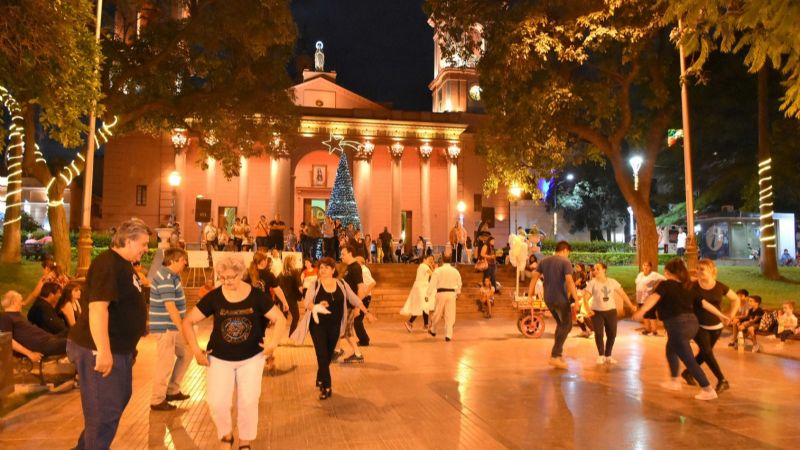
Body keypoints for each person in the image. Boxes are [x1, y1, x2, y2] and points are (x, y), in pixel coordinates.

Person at [182, 256, 286, 448]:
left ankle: (245, 442)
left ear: (241, 274)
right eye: (222, 277)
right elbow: (187, 321)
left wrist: (273, 344)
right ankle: (226, 435)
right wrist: (196, 351)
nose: (227, 281)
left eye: (231, 277)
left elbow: (280, 319)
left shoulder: (256, 296)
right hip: (219, 357)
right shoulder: (214, 297)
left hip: (252, 358)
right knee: (217, 402)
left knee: (248, 401)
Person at [67, 218, 151, 448]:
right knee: (103, 414)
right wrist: (103, 351)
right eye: (143, 244)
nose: (146, 249)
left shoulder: (124, 266)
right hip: (99, 349)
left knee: (113, 407)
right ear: (128, 240)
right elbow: (97, 308)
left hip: (119, 350)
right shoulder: (108, 263)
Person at [633, 258, 719, 400]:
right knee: (670, 350)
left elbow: (653, 298)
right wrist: (721, 315)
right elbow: (704, 303)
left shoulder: (666, 285)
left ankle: (707, 389)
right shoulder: (687, 287)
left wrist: (641, 312)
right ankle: (674, 381)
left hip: (677, 325)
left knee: (688, 359)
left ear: (667, 272)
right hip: (692, 324)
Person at [291, 257, 372, 400]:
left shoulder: (341, 284)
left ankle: (320, 377)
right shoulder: (314, 285)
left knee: (328, 355)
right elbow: (307, 302)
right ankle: (326, 386)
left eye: (326, 267)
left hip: (335, 326)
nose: (323, 270)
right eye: (321, 267)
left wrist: (367, 312)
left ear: (333, 270)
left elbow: (354, 298)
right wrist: (315, 306)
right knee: (322, 354)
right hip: (317, 326)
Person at [682, 259, 740, 393]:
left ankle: (688, 372)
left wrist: (730, 315)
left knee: (704, 353)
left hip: (716, 326)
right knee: (707, 352)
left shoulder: (720, 286)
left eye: (702, 269)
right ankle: (722, 380)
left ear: (711, 270)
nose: (698, 271)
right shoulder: (693, 287)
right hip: (697, 325)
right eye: (697, 269)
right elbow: (702, 304)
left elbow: (735, 299)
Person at [149, 248, 192, 411]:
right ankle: (157, 399)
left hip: (173, 326)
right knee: (164, 363)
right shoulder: (166, 277)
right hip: (166, 327)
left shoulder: (173, 276)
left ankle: (172, 390)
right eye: (183, 260)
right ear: (173, 260)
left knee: (186, 353)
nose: (185, 263)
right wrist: (183, 330)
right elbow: (170, 307)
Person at [527, 240, 578, 369]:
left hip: (548, 299)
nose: (568, 256)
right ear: (565, 250)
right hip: (560, 298)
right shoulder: (565, 262)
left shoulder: (544, 261)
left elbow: (534, 277)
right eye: (568, 253)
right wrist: (576, 299)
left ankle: (558, 354)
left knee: (561, 325)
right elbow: (570, 281)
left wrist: (529, 295)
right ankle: (555, 355)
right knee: (567, 325)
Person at [581, 262, 636, 365]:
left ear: (604, 269)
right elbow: (585, 298)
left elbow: (623, 294)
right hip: (596, 312)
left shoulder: (612, 282)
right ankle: (601, 355)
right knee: (599, 334)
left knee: (612, 335)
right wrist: (588, 309)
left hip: (611, 312)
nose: (595, 271)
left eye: (598, 269)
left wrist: (631, 305)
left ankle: (608, 355)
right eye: (594, 269)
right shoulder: (592, 283)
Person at [1, 290, 67, 362]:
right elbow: (8, 341)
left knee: (73, 332)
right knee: (76, 342)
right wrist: (29, 353)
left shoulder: (18, 315)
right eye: (21, 301)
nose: (22, 303)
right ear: (14, 302)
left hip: (50, 339)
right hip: (42, 345)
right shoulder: (5, 317)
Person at [340, 245, 370, 356]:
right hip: (346, 304)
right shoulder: (348, 267)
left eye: (343, 254)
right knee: (344, 330)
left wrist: (357, 307)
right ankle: (339, 350)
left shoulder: (356, 267)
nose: (341, 256)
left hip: (351, 305)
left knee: (347, 331)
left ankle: (357, 354)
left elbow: (361, 288)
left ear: (350, 253)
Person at [427, 253, 462, 341]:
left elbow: (432, 284)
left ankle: (433, 330)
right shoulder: (455, 271)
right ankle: (448, 335)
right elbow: (459, 284)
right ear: (450, 260)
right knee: (450, 315)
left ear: (442, 259)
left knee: (437, 313)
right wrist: (457, 292)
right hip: (451, 294)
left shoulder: (438, 271)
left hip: (441, 293)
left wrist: (428, 294)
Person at [401, 254, 435, 331]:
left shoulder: (421, 266)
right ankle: (415, 323)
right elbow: (433, 274)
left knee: (422, 306)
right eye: (429, 259)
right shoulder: (424, 266)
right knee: (424, 305)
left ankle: (419, 324)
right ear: (424, 259)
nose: (430, 261)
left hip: (421, 288)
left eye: (431, 260)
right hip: (421, 289)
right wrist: (432, 267)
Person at [635, 261, 666, 336]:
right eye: (644, 265)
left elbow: (664, 279)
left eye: (647, 266)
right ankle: (647, 329)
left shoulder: (653, 275)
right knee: (644, 314)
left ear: (650, 267)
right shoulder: (640, 274)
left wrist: (656, 285)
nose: (645, 267)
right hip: (640, 298)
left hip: (648, 298)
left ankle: (654, 330)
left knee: (651, 314)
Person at [278, 254, 303, 337]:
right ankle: (291, 335)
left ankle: (278, 336)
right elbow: (299, 286)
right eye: (294, 260)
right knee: (296, 317)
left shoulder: (281, 274)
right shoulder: (295, 271)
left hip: (282, 298)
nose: (295, 262)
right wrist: (304, 295)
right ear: (290, 262)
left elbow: (276, 286)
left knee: (283, 318)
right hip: (291, 298)